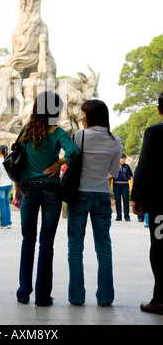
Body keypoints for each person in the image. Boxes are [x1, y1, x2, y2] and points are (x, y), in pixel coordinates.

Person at [16, 91, 79, 307]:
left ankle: (24, 292)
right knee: (46, 243)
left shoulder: (26, 132)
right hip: (51, 190)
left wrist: (17, 187)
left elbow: (16, 159)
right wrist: (59, 163)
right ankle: (43, 296)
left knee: (27, 241)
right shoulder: (58, 132)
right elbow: (73, 152)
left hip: (27, 189)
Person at [67, 99, 122, 307]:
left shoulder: (80, 136)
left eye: (83, 113)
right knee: (104, 247)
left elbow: (72, 162)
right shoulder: (115, 141)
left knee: (75, 246)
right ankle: (106, 297)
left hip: (79, 194)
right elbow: (114, 172)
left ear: (90, 115)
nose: (80, 117)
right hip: (101, 196)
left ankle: (76, 296)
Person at [132, 92, 163, 315]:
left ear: (159, 109)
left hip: (161, 204)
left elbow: (143, 167)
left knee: (160, 247)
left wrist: (137, 198)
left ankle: (160, 299)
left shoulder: (155, 132)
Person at [0, 145, 13, 229]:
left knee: (2, 205)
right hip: (9, 184)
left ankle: (3, 223)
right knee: (7, 204)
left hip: (1, 185)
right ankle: (8, 222)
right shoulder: (9, 159)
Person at [112, 153, 133, 221]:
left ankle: (127, 216)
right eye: (122, 159)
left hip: (125, 185)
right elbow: (110, 176)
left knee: (126, 201)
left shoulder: (127, 166)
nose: (124, 160)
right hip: (116, 185)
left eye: (124, 159)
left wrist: (131, 186)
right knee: (117, 201)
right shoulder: (114, 166)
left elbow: (131, 177)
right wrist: (109, 186)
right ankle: (118, 216)